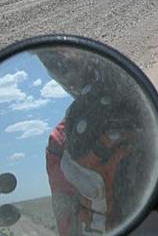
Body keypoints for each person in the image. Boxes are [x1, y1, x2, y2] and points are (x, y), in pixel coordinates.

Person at [39, 47, 145, 235]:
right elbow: (69, 225)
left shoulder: (60, 142)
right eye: (49, 61)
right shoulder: (60, 144)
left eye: (61, 58)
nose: (61, 70)